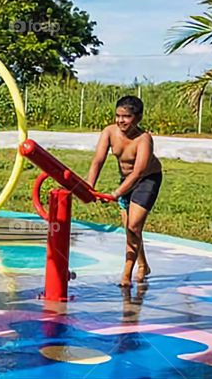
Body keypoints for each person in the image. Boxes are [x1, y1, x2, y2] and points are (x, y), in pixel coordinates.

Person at [86, 95, 163, 287]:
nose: (120, 120)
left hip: (146, 180)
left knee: (134, 226)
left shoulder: (144, 139)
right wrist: (89, 187)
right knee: (131, 229)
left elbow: (138, 172)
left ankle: (126, 276)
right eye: (118, 115)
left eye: (126, 117)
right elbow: (98, 160)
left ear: (138, 118)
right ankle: (143, 265)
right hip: (126, 181)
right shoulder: (109, 132)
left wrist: (116, 194)